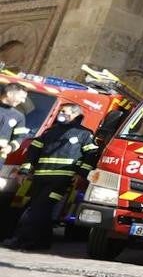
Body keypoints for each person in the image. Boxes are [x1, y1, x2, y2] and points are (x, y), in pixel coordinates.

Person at [9, 103, 97, 250]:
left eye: (64, 111)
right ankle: (40, 242)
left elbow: (91, 155)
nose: (60, 114)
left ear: (75, 114)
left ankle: (25, 240)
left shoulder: (84, 134)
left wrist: (81, 174)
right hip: (40, 178)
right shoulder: (50, 132)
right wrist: (24, 171)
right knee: (38, 209)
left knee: (40, 208)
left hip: (61, 179)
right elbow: (33, 152)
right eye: (60, 111)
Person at [0, 83, 30, 158]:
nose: (23, 101)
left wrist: (10, 147)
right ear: (9, 94)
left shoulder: (19, 116)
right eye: (21, 97)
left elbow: (20, 137)